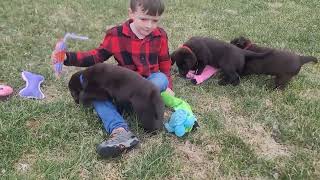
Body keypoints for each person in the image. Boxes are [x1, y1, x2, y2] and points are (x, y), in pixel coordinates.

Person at [52, 0, 173, 158]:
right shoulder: (116, 34)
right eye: (144, 19)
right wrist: (67, 57)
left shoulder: (160, 35)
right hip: (122, 87)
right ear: (131, 13)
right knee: (94, 94)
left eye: (155, 20)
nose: (149, 25)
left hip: (149, 82)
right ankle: (119, 131)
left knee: (161, 79)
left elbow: (164, 61)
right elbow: (96, 56)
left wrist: (169, 85)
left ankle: (140, 102)